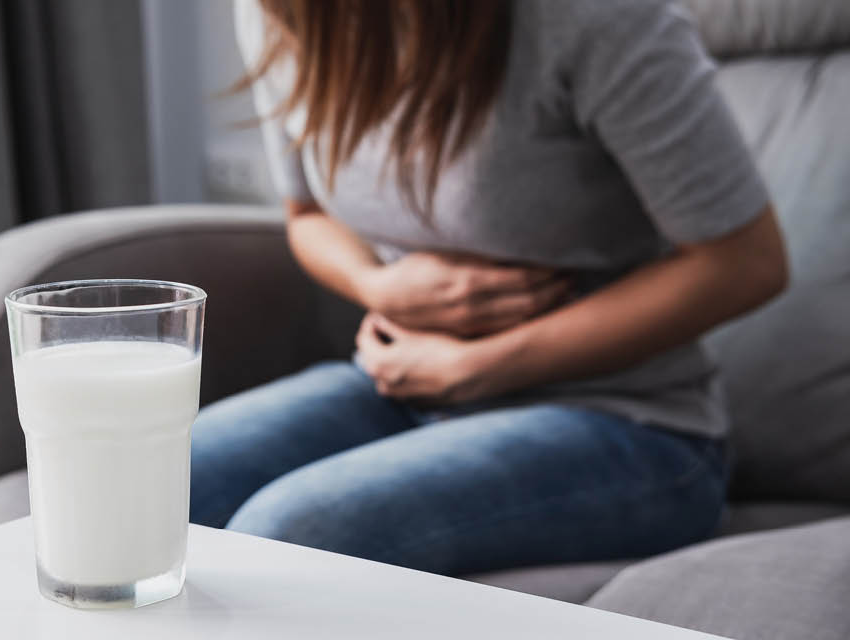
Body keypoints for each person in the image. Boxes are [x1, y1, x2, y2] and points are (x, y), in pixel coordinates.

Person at [189, 0, 788, 577]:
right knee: (136, 483)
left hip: (629, 423)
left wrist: (482, 365)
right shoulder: (289, 15)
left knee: (289, 535)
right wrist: (381, 286)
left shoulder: (596, 18)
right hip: (402, 388)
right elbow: (307, 214)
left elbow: (746, 262)